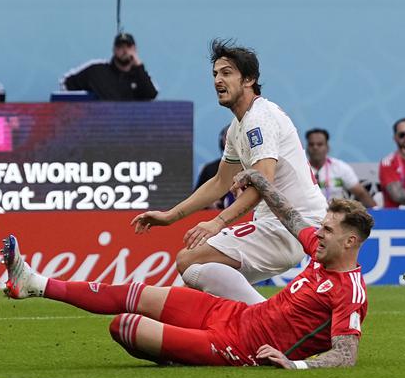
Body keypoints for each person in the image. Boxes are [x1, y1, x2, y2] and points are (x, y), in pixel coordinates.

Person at [4, 186, 373, 369]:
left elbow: (346, 354)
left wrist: (295, 365)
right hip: (232, 314)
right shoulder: (320, 253)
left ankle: (184, 353)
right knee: (136, 294)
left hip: (240, 347)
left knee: (125, 327)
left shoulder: (349, 291)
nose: (318, 234)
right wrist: (258, 179)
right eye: (321, 227)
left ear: (350, 241)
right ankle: (34, 283)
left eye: (327, 230)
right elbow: (292, 217)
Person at [130, 40, 329, 305]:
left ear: (249, 79)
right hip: (280, 224)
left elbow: (263, 182)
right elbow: (220, 181)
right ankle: (246, 332)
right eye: (215, 74)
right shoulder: (238, 126)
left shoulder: (260, 119)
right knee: (199, 277)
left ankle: (268, 322)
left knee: (190, 261)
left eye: (226, 73)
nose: (217, 80)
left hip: (292, 226)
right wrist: (169, 216)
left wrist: (218, 222)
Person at [60, 32, 159, 101]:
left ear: (135, 50)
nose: (125, 51)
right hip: (104, 125)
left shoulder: (141, 76)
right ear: (114, 50)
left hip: (131, 127)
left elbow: (152, 95)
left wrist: (139, 66)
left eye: (128, 47)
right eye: (120, 47)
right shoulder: (97, 71)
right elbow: (66, 83)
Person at [306, 128, 376, 208]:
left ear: (327, 147)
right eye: (311, 144)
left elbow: (360, 193)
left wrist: (377, 211)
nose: (315, 148)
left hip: (336, 215)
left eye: (320, 144)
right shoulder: (301, 169)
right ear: (307, 148)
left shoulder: (340, 168)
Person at [195, 126, 235, 210]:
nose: (232, 142)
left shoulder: (252, 167)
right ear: (222, 142)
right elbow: (196, 198)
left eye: (235, 138)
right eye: (228, 137)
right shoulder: (209, 169)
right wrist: (207, 203)